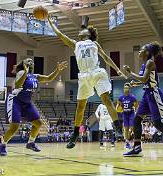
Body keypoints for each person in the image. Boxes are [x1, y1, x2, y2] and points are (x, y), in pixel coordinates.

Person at [47, 15, 125, 149]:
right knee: (81, 106)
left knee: (106, 99)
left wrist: (117, 70)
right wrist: (50, 22)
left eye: (83, 30)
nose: (79, 31)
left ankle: (118, 128)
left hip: (96, 72)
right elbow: (60, 34)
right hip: (84, 76)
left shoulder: (94, 43)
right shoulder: (75, 44)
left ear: (88, 34)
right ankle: (75, 134)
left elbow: (105, 58)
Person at [122, 41, 163, 157]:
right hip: (146, 94)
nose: (139, 52)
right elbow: (146, 80)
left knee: (157, 123)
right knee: (136, 119)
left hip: (154, 94)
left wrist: (130, 73)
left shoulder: (150, 62)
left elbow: (144, 78)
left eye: (141, 50)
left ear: (147, 52)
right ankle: (137, 147)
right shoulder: (145, 64)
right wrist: (136, 84)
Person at [0, 58, 68, 156]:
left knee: (38, 123)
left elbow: (49, 78)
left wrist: (57, 70)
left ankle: (30, 143)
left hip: (27, 102)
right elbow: (18, 85)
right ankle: (3, 145)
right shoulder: (21, 72)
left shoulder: (35, 76)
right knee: (15, 126)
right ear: (23, 64)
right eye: (28, 61)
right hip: (16, 100)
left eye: (32, 61)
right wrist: (25, 73)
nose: (30, 62)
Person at [117, 83, 138, 149]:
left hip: (131, 113)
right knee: (126, 128)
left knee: (132, 128)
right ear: (123, 89)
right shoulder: (121, 97)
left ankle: (130, 138)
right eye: (125, 88)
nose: (126, 89)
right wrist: (117, 109)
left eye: (127, 88)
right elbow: (118, 105)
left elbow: (136, 105)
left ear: (129, 89)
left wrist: (136, 110)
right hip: (125, 114)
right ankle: (127, 142)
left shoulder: (132, 97)